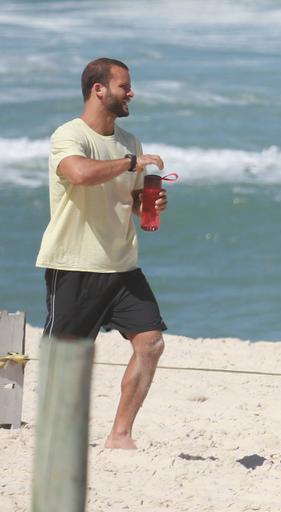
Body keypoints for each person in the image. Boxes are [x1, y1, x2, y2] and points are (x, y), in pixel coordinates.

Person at [36, 58, 169, 449]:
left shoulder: (130, 142)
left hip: (122, 264)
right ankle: (55, 437)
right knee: (67, 359)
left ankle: (120, 434)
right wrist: (130, 164)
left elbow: (128, 196)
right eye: (124, 86)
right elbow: (79, 173)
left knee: (151, 343)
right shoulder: (68, 135)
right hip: (74, 263)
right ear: (99, 89)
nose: (132, 93)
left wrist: (151, 201)